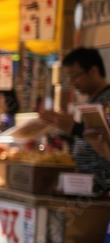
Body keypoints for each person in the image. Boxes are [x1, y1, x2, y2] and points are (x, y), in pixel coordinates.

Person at [41, 47, 110, 189]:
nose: (72, 82)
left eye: (75, 76)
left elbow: (105, 140)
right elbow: (89, 141)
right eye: (68, 78)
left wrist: (76, 129)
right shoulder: (91, 101)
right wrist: (66, 133)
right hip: (86, 184)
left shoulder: (107, 99)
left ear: (93, 71)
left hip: (102, 186)